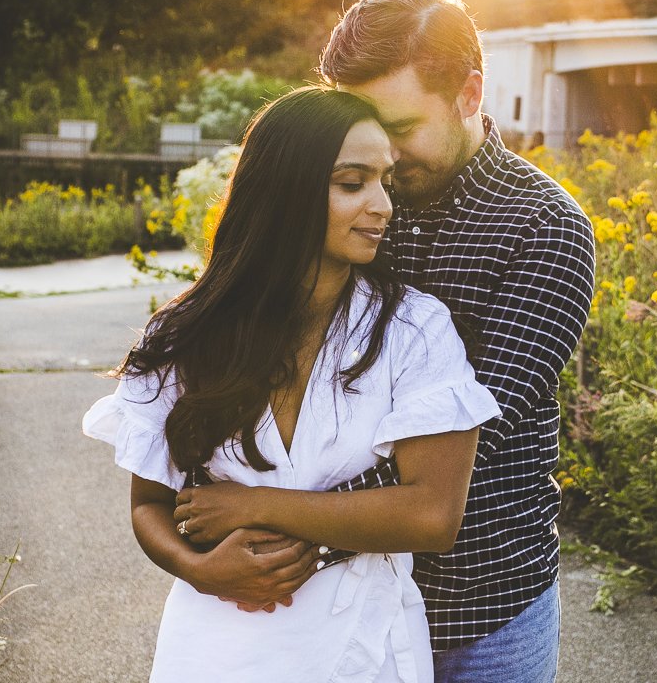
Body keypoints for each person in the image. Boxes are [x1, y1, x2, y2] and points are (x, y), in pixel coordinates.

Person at [196, 0, 596, 683]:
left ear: (470, 95)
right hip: (326, 605)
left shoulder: (546, 229)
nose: (378, 152)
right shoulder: (340, 197)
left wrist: (273, 517)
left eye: (400, 127)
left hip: (479, 605)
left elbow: (474, 430)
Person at [83, 86, 499, 683]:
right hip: (216, 639)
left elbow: (432, 515)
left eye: (386, 180)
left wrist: (253, 504)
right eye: (352, 183)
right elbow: (151, 504)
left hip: (359, 644)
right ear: (284, 188)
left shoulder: (415, 329)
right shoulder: (189, 331)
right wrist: (198, 568)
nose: (382, 204)